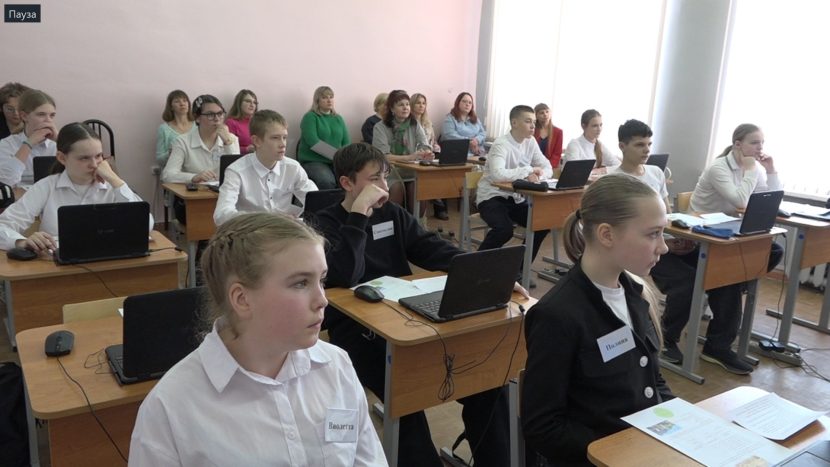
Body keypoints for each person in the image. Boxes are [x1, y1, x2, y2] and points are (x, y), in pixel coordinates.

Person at [316, 142, 519, 467]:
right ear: (347, 183)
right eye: (373, 179)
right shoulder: (323, 223)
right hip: (356, 330)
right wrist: (358, 217)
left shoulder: (393, 214)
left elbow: (430, 248)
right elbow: (343, 274)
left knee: (488, 386)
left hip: (405, 320)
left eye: (385, 177)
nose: (384, 187)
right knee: (406, 402)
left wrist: (483, 272)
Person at [129, 213, 386, 466]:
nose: (322, 300)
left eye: (322, 280)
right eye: (300, 283)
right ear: (242, 299)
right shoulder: (170, 407)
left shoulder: (336, 366)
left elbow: (367, 460)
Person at [522, 174, 673, 466]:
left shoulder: (636, 294)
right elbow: (543, 426)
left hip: (646, 449)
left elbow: (652, 380)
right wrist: (618, 454)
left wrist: (680, 422)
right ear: (606, 235)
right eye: (653, 234)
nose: (663, 247)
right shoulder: (558, 314)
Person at [650, 123, 783, 374]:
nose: (760, 148)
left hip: (723, 240)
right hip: (694, 240)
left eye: (762, 143)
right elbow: (740, 200)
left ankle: (716, 347)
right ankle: (668, 338)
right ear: (737, 144)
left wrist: (771, 170)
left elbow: (770, 199)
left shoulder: (752, 169)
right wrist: (751, 169)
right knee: (709, 281)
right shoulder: (719, 168)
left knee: (766, 255)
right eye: (755, 142)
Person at [0, 123, 151, 252]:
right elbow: (3, 226)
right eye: (84, 158)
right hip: (58, 265)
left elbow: (146, 224)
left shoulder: (113, 186)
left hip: (108, 258)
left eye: (98, 156)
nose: (94, 164)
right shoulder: (46, 186)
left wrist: (115, 180)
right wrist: (22, 242)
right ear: (62, 158)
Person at [476, 105, 553, 281]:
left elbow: (547, 166)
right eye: (528, 121)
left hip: (515, 198)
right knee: (504, 229)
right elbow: (498, 174)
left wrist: (539, 175)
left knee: (541, 225)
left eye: (534, 122)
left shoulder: (531, 142)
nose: (533, 126)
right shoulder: (501, 144)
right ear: (514, 123)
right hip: (492, 196)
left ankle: (516, 271)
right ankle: (475, 267)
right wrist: (528, 170)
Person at [214, 110, 317, 225]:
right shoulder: (236, 171)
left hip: (285, 230)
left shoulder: (293, 168)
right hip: (251, 231)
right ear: (257, 141)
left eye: (284, 137)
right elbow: (221, 215)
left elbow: (316, 200)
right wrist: (267, 219)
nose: (283, 144)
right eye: (275, 138)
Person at [372, 90, 433, 212]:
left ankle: (415, 222)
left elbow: (425, 145)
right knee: (397, 188)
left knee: (418, 189)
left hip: (411, 170)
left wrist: (425, 153)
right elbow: (383, 156)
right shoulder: (380, 127)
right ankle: (394, 222)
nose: (405, 108)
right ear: (392, 109)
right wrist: (409, 157)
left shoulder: (414, 124)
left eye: (407, 104)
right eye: (401, 105)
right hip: (388, 171)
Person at [0, 89, 57, 187]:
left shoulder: (56, 144)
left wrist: (61, 141)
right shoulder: (7, 144)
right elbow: (6, 182)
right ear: (24, 116)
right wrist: (28, 144)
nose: (48, 121)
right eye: (41, 114)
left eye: (52, 115)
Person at [608, 119, 670, 210]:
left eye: (649, 144)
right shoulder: (612, 180)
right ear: (622, 146)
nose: (647, 150)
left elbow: (667, 212)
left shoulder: (656, 172)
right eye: (640, 145)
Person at [297, 86, 351, 190]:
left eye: (331, 97)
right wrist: (336, 156)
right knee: (326, 181)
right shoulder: (310, 117)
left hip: (336, 161)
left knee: (349, 180)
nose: (329, 100)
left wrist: (342, 158)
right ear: (317, 100)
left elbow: (346, 142)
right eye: (324, 97)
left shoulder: (338, 118)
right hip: (313, 161)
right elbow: (312, 141)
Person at [411, 92, 448, 220]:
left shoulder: (428, 122)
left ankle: (440, 206)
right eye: (418, 103)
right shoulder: (409, 122)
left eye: (423, 103)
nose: (421, 106)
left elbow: (433, 140)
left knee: (443, 171)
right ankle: (439, 206)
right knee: (432, 175)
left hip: (430, 153)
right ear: (412, 105)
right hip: (417, 155)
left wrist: (437, 148)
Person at [155, 89, 194, 168]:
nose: (182, 104)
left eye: (185, 100)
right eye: (177, 101)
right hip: (173, 172)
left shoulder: (198, 126)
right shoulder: (163, 129)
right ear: (171, 107)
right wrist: (170, 153)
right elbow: (159, 160)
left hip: (196, 171)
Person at [225, 89, 258, 154]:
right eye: (248, 101)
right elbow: (228, 148)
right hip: (241, 158)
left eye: (255, 102)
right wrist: (246, 149)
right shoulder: (231, 123)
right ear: (239, 103)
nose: (252, 105)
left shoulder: (257, 122)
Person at [533, 103, 563, 169]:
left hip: (550, 167)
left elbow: (557, 154)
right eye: (542, 113)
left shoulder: (558, 132)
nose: (545, 114)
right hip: (533, 167)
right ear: (536, 116)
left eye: (547, 112)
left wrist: (547, 168)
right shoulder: (532, 130)